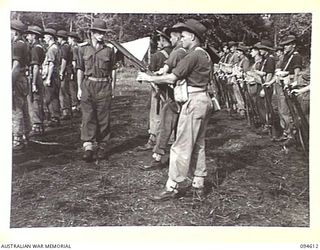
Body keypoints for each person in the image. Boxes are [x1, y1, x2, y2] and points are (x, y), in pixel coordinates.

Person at [137, 19, 213, 200]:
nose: (181, 39)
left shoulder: (193, 55)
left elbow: (171, 78)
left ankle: (172, 186)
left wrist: (149, 78)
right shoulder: (205, 54)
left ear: (193, 36)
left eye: (184, 36)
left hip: (193, 102)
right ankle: (198, 182)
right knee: (198, 144)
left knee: (180, 145)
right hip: (203, 100)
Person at [140, 22, 187, 170]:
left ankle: (159, 157)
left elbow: (166, 70)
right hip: (182, 95)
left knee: (166, 126)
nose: (172, 40)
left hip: (177, 95)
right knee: (177, 128)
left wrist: (153, 76)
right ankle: (163, 156)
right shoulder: (185, 51)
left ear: (177, 38)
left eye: (173, 37)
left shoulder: (178, 51)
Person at [76, 19, 116, 162]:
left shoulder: (109, 50)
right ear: (92, 33)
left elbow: (113, 70)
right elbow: (80, 69)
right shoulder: (83, 49)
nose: (101, 35)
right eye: (99, 32)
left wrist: (112, 88)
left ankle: (103, 145)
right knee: (88, 116)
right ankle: (88, 146)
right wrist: (79, 88)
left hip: (103, 86)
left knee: (103, 118)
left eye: (103, 33)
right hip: (88, 85)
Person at [136, 28, 173, 151]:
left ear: (163, 40)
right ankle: (170, 139)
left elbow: (150, 73)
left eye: (160, 40)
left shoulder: (157, 55)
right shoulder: (177, 52)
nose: (158, 42)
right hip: (173, 90)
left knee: (156, 114)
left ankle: (153, 140)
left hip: (158, 89)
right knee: (171, 114)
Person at [264, 35, 303, 142]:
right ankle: (286, 132)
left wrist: (292, 83)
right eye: (284, 45)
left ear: (293, 45)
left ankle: (292, 135)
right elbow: (279, 72)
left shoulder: (296, 56)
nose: (285, 47)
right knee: (281, 111)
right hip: (280, 85)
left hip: (287, 86)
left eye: (287, 45)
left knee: (288, 111)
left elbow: (297, 73)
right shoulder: (285, 56)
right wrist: (270, 82)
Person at [11, 19, 30, 150]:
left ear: (15, 32)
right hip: (22, 78)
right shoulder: (24, 43)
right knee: (23, 107)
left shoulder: (17, 45)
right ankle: (25, 135)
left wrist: (9, 84)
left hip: (17, 78)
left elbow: (16, 66)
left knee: (15, 108)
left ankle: (17, 138)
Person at [25, 25, 46, 136]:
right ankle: (38, 124)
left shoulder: (36, 48)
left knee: (35, 100)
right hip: (35, 75)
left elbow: (36, 66)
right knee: (35, 100)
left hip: (35, 75)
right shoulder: (38, 47)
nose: (27, 37)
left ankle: (37, 125)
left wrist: (33, 83)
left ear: (34, 35)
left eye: (29, 35)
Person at [42, 28, 61, 127]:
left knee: (50, 97)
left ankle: (53, 118)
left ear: (49, 37)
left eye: (45, 36)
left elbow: (51, 65)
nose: (44, 38)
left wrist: (48, 78)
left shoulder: (52, 49)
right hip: (55, 75)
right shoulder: (56, 48)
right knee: (54, 97)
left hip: (52, 76)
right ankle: (55, 117)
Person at [57, 30, 73, 120]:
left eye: (58, 37)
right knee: (66, 91)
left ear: (61, 38)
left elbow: (64, 60)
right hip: (68, 70)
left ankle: (66, 111)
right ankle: (68, 110)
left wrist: (61, 72)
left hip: (66, 70)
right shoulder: (67, 46)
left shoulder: (64, 47)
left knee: (63, 91)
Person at [67, 31, 81, 114]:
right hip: (78, 70)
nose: (68, 40)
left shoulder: (74, 48)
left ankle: (75, 105)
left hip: (74, 70)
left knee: (73, 87)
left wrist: (73, 72)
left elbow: (74, 61)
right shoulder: (78, 47)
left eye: (69, 38)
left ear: (72, 39)